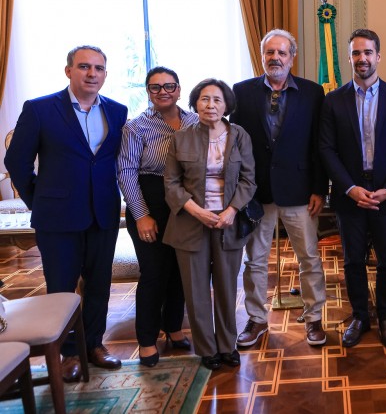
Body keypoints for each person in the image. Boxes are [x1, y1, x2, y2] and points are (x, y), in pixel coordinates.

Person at [4, 45, 128, 381]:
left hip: (103, 213)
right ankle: (68, 353)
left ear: (105, 74)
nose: (92, 74)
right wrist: (39, 199)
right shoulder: (40, 109)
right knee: (61, 288)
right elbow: (16, 161)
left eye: (99, 68)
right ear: (68, 70)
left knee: (100, 283)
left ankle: (94, 345)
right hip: (57, 218)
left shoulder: (117, 111)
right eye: (84, 67)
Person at [231, 29, 329, 347]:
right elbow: (235, 143)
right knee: (255, 259)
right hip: (256, 192)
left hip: (300, 189)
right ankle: (257, 320)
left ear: (292, 56)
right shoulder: (241, 92)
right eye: (270, 52)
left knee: (309, 258)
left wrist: (319, 188)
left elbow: (319, 145)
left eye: (282, 52)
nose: (276, 58)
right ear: (262, 56)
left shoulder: (313, 93)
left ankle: (314, 318)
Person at [319, 29, 386, 348]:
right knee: (353, 260)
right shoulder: (333, 101)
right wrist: (349, 188)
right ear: (349, 58)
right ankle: (360, 315)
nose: (362, 58)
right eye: (356, 53)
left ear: (378, 56)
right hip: (351, 195)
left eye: (368, 52)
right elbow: (327, 149)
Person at [163, 79, 256, 370]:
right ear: (195, 104)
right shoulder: (181, 138)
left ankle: (227, 346)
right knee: (196, 290)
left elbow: (248, 180)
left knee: (228, 287)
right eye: (204, 99)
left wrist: (231, 210)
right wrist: (195, 210)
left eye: (217, 100)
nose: (210, 105)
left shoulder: (240, 136)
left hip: (228, 222)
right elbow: (171, 183)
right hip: (191, 223)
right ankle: (207, 350)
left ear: (226, 105)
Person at [117, 67, 197, 366]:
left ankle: (174, 329)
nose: (163, 91)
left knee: (180, 271)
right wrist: (141, 215)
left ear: (178, 89)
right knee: (154, 273)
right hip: (151, 202)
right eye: (155, 87)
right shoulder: (135, 127)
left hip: (187, 206)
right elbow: (126, 173)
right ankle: (147, 339)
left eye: (169, 86)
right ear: (148, 92)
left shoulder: (194, 120)